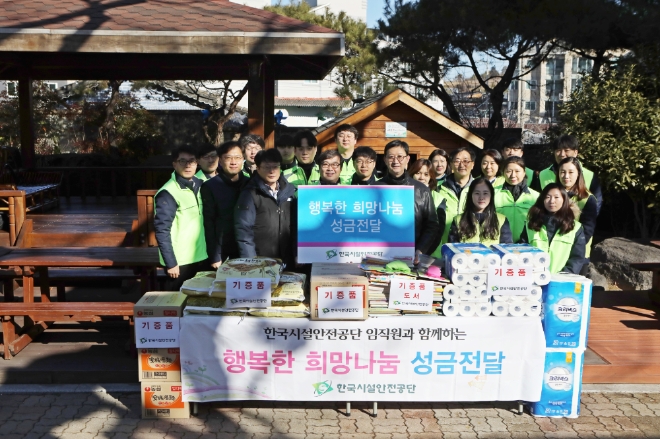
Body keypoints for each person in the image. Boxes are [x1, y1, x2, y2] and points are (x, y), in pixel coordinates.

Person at [154, 146, 207, 290]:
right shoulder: (168, 192)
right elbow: (162, 231)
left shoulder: (201, 185)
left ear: (197, 163)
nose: (188, 165)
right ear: (174, 164)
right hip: (180, 261)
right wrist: (171, 263)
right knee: (176, 303)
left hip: (201, 255)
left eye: (192, 161)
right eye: (182, 161)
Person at [235, 149, 297, 268]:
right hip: (260, 259)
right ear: (257, 168)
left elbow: (294, 227)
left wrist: (296, 253)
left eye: (275, 166)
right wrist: (250, 261)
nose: (272, 171)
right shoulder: (250, 193)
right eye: (267, 167)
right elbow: (244, 229)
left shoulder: (289, 191)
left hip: (286, 258)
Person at [380, 140, 440, 260]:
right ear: (385, 160)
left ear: (407, 159)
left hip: (412, 256)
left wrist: (420, 250)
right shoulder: (374, 188)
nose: (395, 161)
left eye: (400, 157)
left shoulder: (421, 190)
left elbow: (432, 225)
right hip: (379, 256)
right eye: (391, 157)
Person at [200, 141, 250, 269]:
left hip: (247, 248)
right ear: (220, 161)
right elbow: (209, 223)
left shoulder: (250, 184)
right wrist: (214, 256)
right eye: (228, 158)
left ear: (243, 160)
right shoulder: (210, 187)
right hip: (223, 250)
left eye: (238, 158)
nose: (233, 162)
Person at [520, 183, 586, 274]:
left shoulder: (575, 227)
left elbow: (577, 258)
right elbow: (523, 252)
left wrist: (562, 277)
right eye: (547, 197)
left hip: (562, 282)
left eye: (556, 197)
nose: (552, 201)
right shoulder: (530, 224)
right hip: (534, 278)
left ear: (564, 199)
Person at [534, 134, 603, 214]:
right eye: (558, 150)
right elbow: (537, 202)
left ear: (575, 152)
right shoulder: (543, 174)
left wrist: (584, 223)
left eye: (566, 150)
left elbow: (596, 204)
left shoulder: (589, 175)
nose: (562, 154)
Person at [432, 147, 475, 251]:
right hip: (443, 248)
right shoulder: (437, 188)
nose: (461, 165)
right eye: (457, 161)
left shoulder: (479, 189)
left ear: (472, 164)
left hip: (472, 249)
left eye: (466, 161)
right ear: (450, 164)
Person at [448, 177, 513, 244]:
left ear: (491, 195)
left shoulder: (501, 220)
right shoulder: (458, 220)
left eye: (485, 193)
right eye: (477, 193)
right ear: (470, 195)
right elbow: (452, 248)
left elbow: (507, 248)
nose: (481, 197)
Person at [556, 157, 597, 258]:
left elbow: (587, 230)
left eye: (571, 172)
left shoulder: (587, 199)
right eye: (562, 172)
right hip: (555, 253)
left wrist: (572, 247)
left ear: (578, 173)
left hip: (577, 254)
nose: (566, 176)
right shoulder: (552, 195)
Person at [494, 156, 540, 242]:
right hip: (500, 244)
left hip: (526, 245)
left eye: (517, 171)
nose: (513, 175)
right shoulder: (493, 193)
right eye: (509, 171)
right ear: (503, 172)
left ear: (524, 172)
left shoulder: (536, 196)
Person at [409, 158, 446, 250]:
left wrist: (422, 251)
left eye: (426, 174)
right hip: (407, 248)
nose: (422, 177)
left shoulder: (438, 198)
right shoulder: (405, 194)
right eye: (418, 173)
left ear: (431, 177)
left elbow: (438, 230)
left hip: (430, 253)